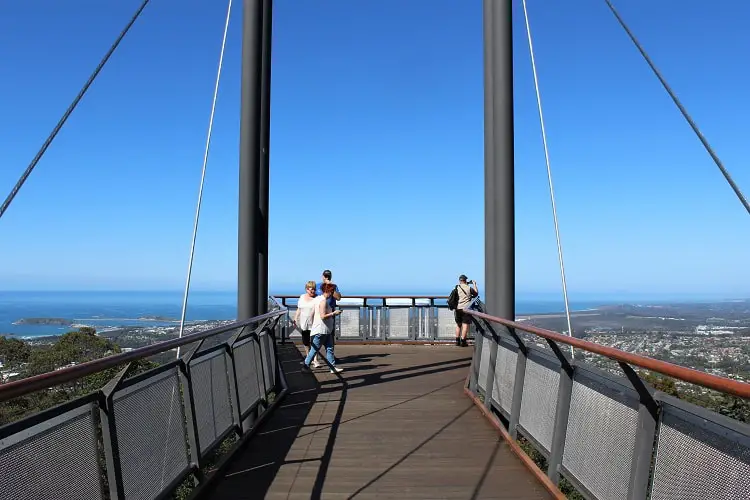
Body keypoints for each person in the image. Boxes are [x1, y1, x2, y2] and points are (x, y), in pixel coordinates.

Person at [304, 283, 343, 373]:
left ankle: (332, 367)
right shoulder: (323, 301)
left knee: (329, 348)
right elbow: (322, 316)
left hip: (324, 329)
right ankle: (305, 366)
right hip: (321, 330)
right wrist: (334, 313)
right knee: (314, 350)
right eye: (332, 291)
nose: (333, 294)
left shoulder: (317, 299)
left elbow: (312, 313)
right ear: (328, 291)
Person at [292, 281, 322, 368]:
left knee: (314, 342)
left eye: (314, 289)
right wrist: (295, 318)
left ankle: (315, 360)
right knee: (305, 342)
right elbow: (299, 309)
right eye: (311, 289)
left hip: (314, 323)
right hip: (304, 323)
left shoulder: (317, 298)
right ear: (306, 289)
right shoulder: (302, 297)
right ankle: (308, 358)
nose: (312, 291)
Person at [454, 274, 479, 347]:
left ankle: (457, 341)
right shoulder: (468, 288)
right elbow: (476, 294)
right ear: (465, 280)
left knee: (458, 325)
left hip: (458, 308)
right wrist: (474, 284)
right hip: (466, 309)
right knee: (465, 325)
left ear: (460, 281)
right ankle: (463, 342)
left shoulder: (457, 287)